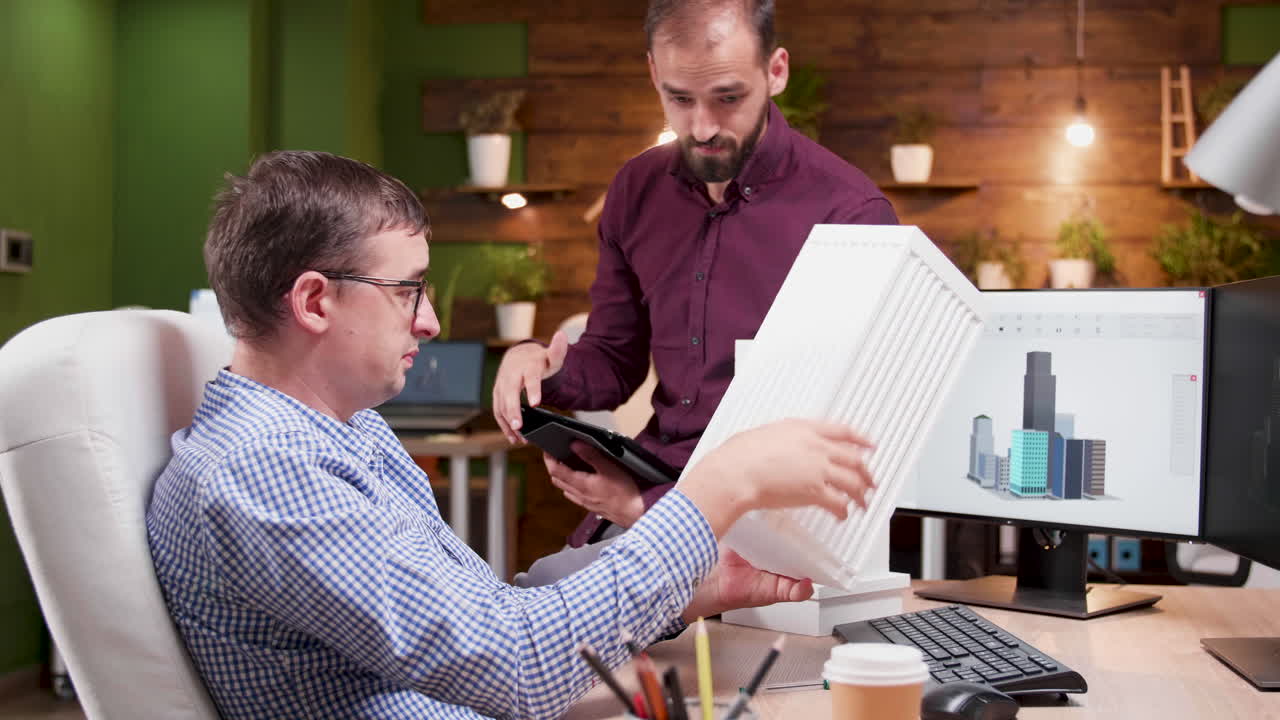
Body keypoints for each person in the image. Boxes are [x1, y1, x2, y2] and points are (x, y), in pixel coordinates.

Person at [145, 150, 876, 719]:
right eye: (408, 290)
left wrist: (684, 588)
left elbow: (497, 616)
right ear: (313, 300)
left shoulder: (339, 436)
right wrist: (724, 485)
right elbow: (519, 665)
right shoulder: (263, 475)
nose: (429, 321)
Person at [493, 0, 898, 569]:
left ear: (775, 72)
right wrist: (541, 369)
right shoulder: (636, 189)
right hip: (650, 493)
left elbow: (850, 436)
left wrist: (648, 509)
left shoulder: (850, 214)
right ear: (655, 74)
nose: (703, 127)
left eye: (728, 98)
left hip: (777, 529)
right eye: (680, 99)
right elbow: (614, 360)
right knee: (537, 600)